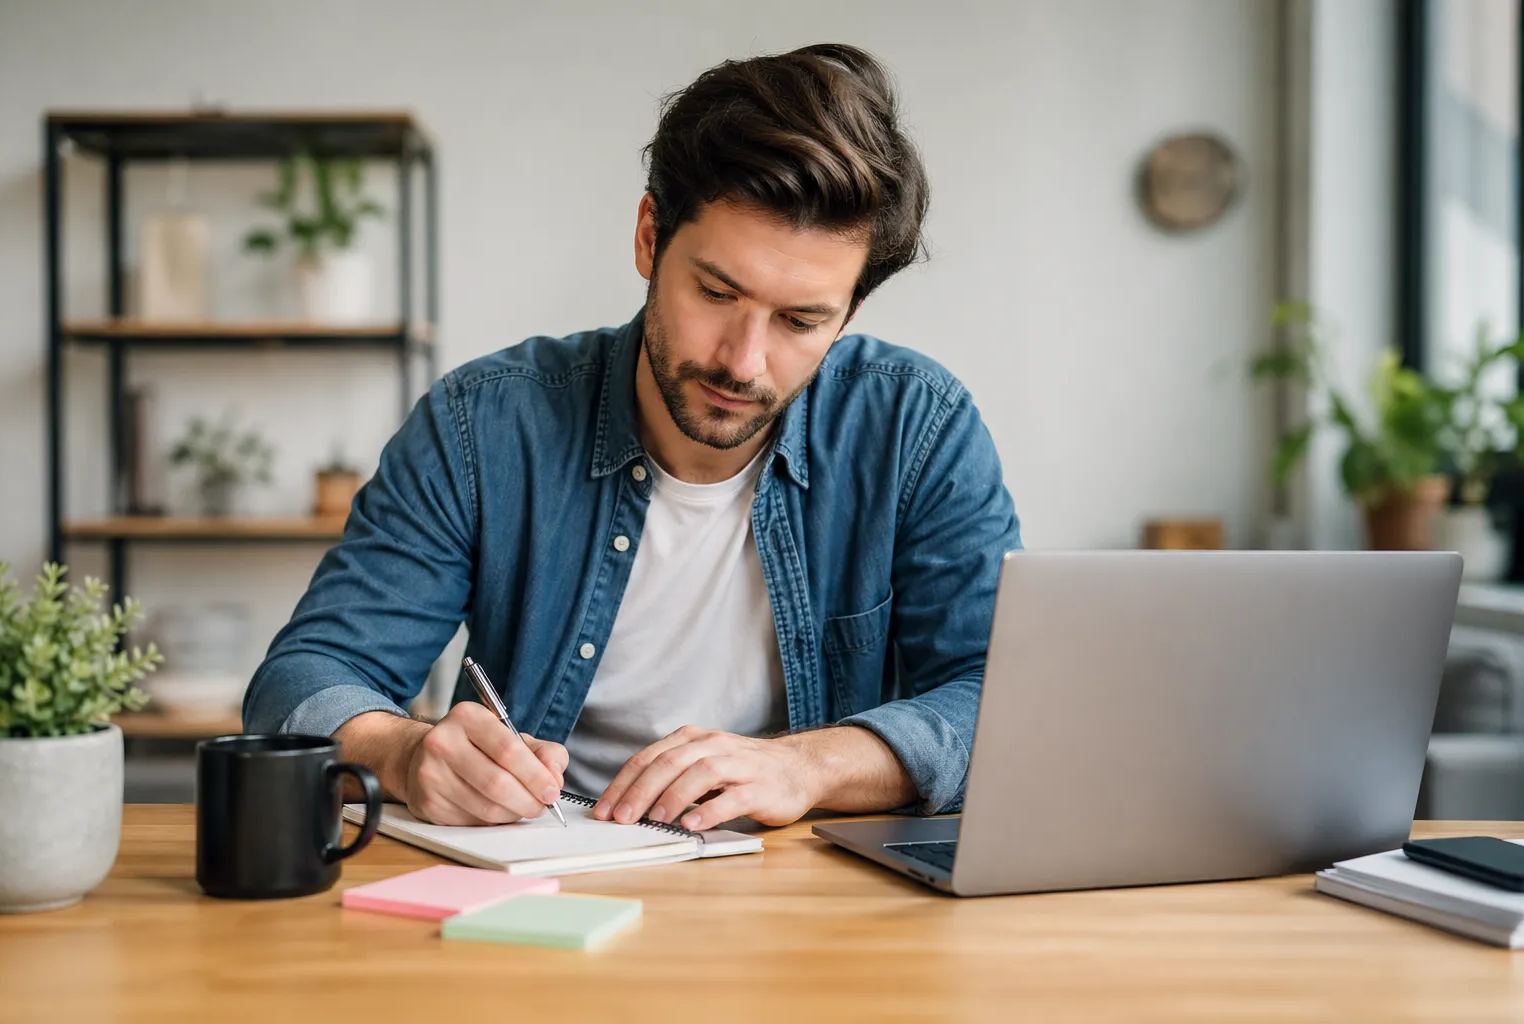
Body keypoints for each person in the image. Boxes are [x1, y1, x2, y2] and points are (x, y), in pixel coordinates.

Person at [243, 42, 1022, 831]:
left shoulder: (916, 428)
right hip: (540, 888)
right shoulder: (484, 425)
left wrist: (811, 765)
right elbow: (302, 681)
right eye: (717, 292)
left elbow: (1001, 695)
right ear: (650, 237)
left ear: (849, 313)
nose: (743, 362)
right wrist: (402, 754)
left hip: (810, 898)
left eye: (801, 321)